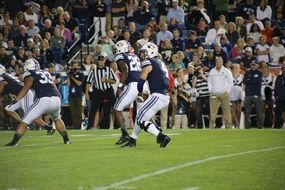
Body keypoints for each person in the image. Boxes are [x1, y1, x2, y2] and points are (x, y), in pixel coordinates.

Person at [4, 59, 70, 146]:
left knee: (25, 120)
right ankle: (66, 140)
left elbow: (26, 87)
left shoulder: (29, 73)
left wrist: (16, 100)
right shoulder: (45, 72)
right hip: (56, 98)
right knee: (57, 118)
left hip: (44, 99)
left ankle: (14, 142)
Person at [122, 42, 171, 148]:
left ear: (150, 52)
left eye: (144, 52)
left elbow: (143, 77)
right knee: (140, 117)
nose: (142, 55)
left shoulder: (149, 62)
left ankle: (161, 135)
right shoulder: (159, 62)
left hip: (159, 95)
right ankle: (132, 140)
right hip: (161, 94)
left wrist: (140, 90)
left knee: (140, 119)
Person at [0, 64, 55, 135]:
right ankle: (22, 124)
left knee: (29, 113)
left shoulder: (2, 77)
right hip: (21, 95)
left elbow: (1, 87)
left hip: (24, 94)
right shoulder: (6, 75)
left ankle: (48, 127)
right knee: (8, 108)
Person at [112, 40, 141, 144]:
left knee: (116, 108)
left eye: (117, 48)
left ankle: (124, 134)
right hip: (142, 85)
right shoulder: (135, 56)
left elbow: (125, 70)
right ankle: (158, 132)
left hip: (132, 85)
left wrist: (120, 86)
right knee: (144, 112)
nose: (115, 51)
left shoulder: (121, 56)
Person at [85, 52, 116, 129]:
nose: (101, 62)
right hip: (98, 91)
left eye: (102, 60)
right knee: (93, 109)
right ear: (97, 61)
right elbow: (88, 82)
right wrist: (86, 93)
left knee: (115, 107)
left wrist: (106, 80)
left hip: (108, 90)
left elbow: (114, 81)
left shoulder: (109, 70)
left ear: (104, 61)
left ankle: (118, 126)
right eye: (99, 60)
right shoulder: (93, 71)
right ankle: (89, 126)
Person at [208, 57, 233, 129]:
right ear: (215, 63)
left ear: (222, 62)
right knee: (213, 112)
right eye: (217, 62)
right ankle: (211, 127)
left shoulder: (227, 71)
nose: (218, 63)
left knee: (226, 111)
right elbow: (209, 82)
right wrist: (211, 91)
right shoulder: (212, 71)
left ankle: (229, 126)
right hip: (214, 94)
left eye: (219, 62)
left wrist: (227, 92)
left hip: (224, 94)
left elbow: (230, 82)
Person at [243, 61, 264, 129]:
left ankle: (260, 126)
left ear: (257, 65)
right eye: (252, 65)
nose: (253, 66)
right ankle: (247, 126)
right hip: (248, 95)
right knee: (247, 112)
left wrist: (249, 81)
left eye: (254, 65)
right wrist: (251, 81)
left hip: (257, 95)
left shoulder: (260, 73)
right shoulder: (247, 73)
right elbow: (245, 82)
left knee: (259, 112)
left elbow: (257, 81)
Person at [66, 62, 85, 129]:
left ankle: (79, 126)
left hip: (78, 95)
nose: (75, 67)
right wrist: (68, 77)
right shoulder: (70, 74)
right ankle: (75, 126)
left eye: (76, 66)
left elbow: (79, 83)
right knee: (73, 112)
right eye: (73, 66)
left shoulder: (81, 74)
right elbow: (68, 85)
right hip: (71, 95)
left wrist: (72, 77)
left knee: (79, 112)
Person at [274, 63, 285, 129]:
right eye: (283, 69)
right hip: (279, 98)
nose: (284, 70)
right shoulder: (279, 77)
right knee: (278, 113)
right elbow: (276, 87)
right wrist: (276, 96)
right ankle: (277, 126)